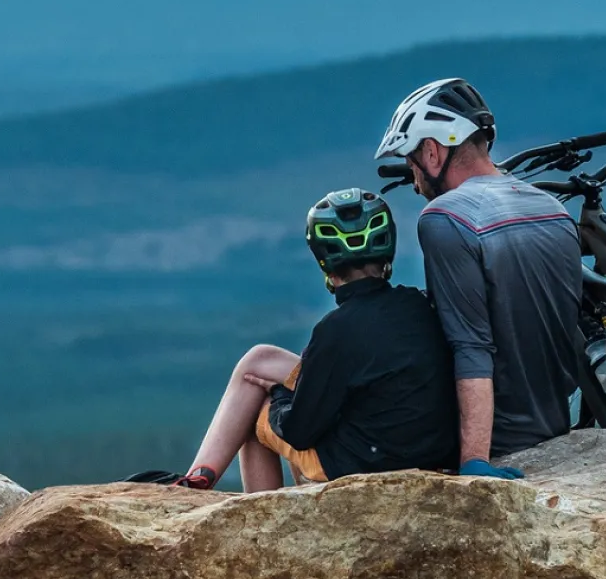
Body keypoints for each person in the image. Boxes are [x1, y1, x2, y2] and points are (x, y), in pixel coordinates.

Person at [125, 188, 459, 491]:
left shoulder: (336, 330)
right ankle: (200, 473)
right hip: (427, 449)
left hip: (366, 461)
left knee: (255, 417)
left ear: (324, 260)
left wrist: (280, 397)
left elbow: (301, 431)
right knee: (261, 358)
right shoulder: (419, 304)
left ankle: (228, 499)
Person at [374, 78, 583, 479]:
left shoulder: (445, 219)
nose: (414, 182)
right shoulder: (551, 207)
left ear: (432, 152)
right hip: (555, 426)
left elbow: (471, 344)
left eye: (410, 163)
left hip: (501, 440)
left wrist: (474, 461)